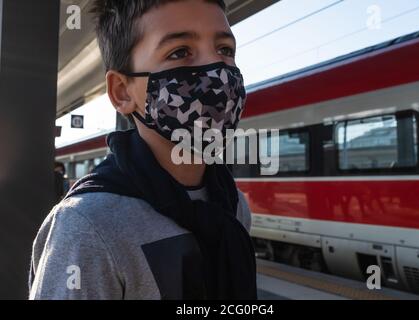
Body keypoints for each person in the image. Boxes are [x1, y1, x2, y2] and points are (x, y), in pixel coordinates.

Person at [29, 0, 256, 300]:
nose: (216, 71)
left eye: (225, 50)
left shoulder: (232, 204)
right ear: (122, 92)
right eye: (180, 52)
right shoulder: (88, 226)